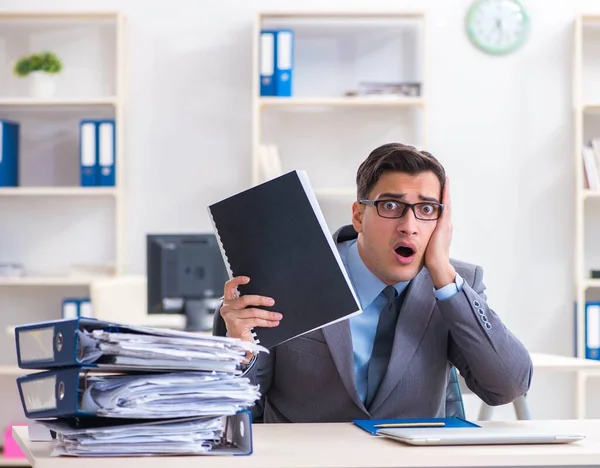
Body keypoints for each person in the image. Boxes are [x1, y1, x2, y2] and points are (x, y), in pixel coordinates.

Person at [213, 142, 533, 423]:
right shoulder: (284, 279)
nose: (409, 227)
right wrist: (239, 352)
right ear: (358, 216)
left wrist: (443, 273)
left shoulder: (454, 287)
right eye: (390, 206)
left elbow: (508, 386)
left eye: (426, 209)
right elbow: (230, 414)